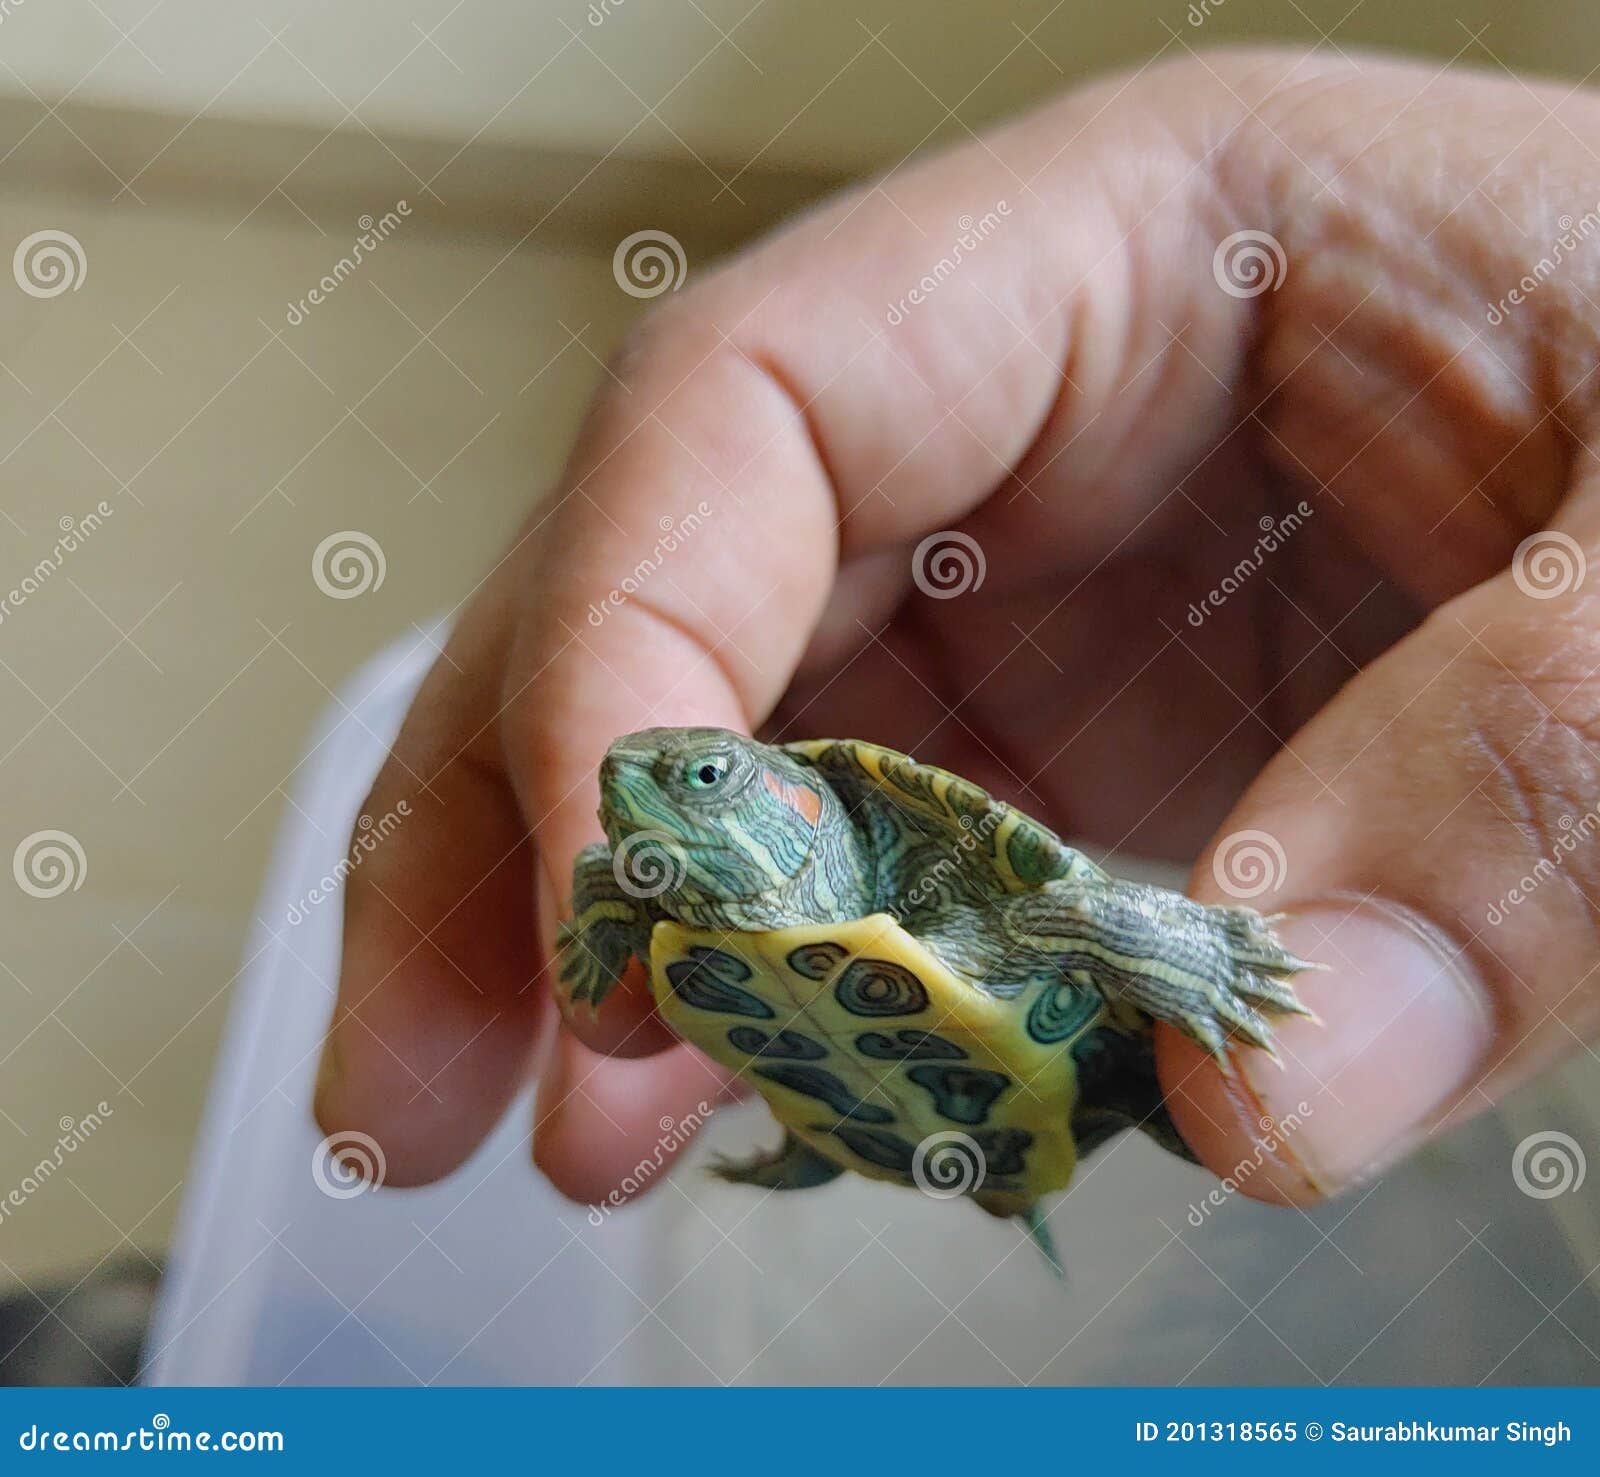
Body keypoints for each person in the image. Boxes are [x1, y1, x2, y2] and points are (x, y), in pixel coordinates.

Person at [315, 48, 1599, 1213]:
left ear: (794, 803)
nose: (646, 783)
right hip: (891, 1108)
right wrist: (607, 901)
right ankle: (818, 1145)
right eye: (663, 782)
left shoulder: (931, 873)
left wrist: (1205, 957)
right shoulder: (676, 894)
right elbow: (610, 906)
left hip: (1038, 1075)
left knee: (1202, 1076)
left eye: (703, 776)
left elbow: (1073, 910)